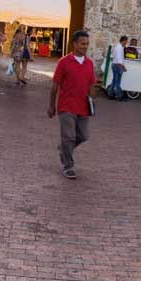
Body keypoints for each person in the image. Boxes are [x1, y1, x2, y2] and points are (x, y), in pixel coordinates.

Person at [48, 30, 95, 180]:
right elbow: (55, 85)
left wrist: (92, 102)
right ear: (74, 44)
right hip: (66, 106)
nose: (85, 46)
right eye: (82, 43)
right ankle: (68, 166)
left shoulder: (89, 63)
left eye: (87, 44)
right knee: (69, 136)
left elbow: (92, 85)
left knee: (83, 135)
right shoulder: (64, 62)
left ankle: (64, 149)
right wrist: (51, 106)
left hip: (83, 106)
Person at [109, 35, 128, 100]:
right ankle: (118, 96)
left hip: (114, 65)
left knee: (114, 81)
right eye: (126, 41)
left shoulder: (117, 46)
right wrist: (124, 67)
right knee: (117, 82)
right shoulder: (120, 48)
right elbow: (119, 60)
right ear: (123, 41)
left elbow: (114, 57)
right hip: (118, 66)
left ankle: (110, 94)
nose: (126, 43)